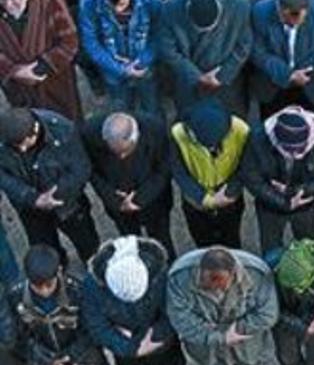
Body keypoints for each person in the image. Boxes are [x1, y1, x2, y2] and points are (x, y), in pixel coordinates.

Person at [83, 235, 192, 365]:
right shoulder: (92, 286)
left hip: (160, 337)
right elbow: (96, 325)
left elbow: (175, 309)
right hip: (125, 344)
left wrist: (157, 336)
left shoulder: (162, 273)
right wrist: (131, 348)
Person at [167, 246, 278, 365]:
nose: (214, 292)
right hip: (204, 332)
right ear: (200, 271)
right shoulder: (179, 277)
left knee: (249, 362)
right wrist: (220, 337)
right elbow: (180, 320)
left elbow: (268, 314)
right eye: (207, 287)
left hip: (243, 331)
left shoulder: (257, 273)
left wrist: (239, 329)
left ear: (234, 273)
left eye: (220, 286)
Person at [10, 244, 118, 365]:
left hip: (84, 346)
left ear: (59, 271)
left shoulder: (78, 289)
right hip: (51, 352)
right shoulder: (16, 297)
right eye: (38, 286)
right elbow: (19, 336)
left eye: (48, 285)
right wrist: (46, 360)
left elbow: (93, 327)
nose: (44, 291)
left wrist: (74, 354)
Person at [0, 107, 97, 263]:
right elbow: (3, 177)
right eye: (15, 146)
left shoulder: (62, 130)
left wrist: (54, 195)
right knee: (45, 253)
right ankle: (57, 271)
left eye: (24, 143)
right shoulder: (4, 135)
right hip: (30, 207)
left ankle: (94, 273)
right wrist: (31, 197)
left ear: (35, 129)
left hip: (67, 203)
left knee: (88, 245)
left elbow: (81, 169)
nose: (22, 150)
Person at [241, 106, 314, 253]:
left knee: (308, 249)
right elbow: (251, 177)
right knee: (271, 250)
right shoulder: (258, 139)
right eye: (289, 150)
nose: (294, 155)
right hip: (270, 205)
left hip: (305, 203)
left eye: (300, 150)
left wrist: (301, 190)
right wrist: (283, 202)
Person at [82, 112, 175, 258]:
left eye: (126, 150)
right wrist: (112, 197)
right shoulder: (89, 133)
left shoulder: (154, 129)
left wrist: (141, 198)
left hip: (154, 200)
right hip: (118, 205)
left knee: (162, 238)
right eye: (116, 152)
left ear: (135, 136)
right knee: (129, 239)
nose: (121, 157)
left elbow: (165, 168)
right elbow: (91, 171)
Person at [0, 0, 80, 120]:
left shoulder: (51, 0)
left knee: (66, 122)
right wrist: (15, 71)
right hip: (19, 88)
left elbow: (69, 42)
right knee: (29, 125)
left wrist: (40, 68)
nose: (9, 4)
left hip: (55, 81)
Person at [169, 99, 250, 249]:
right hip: (195, 199)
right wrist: (205, 199)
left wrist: (230, 192)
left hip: (228, 196)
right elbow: (178, 170)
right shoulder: (178, 133)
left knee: (231, 239)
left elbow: (246, 166)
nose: (212, 148)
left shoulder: (241, 130)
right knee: (202, 240)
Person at [78, 0, 161, 114]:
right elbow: (91, 43)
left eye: (121, 4)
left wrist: (143, 60)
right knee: (121, 108)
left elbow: (159, 34)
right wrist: (120, 69)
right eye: (111, 6)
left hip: (143, 65)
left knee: (151, 106)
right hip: (111, 67)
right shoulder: (88, 2)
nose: (117, 10)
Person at [158, 0, 253, 112]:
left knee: (228, 115)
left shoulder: (240, 6)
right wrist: (196, 76)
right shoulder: (170, 7)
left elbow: (244, 45)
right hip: (187, 75)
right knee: (188, 114)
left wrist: (223, 75)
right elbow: (167, 49)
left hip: (225, 75)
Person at [250, 0, 314, 116]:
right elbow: (257, 51)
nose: (294, 27)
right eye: (289, 23)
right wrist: (287, 75)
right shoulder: (260, 11)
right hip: (272, 81)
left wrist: (305, 70)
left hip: (308, 80)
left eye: (299, 23)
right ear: (280, 12)